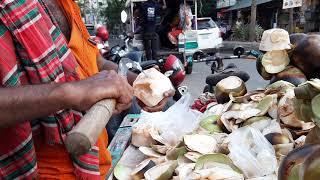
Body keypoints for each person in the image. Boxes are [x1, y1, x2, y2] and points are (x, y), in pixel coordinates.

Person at [0, 0, 173, 179]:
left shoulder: (66, 4)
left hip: (96, 163)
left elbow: (97, 62)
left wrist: (143, 83)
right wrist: (68, 93)